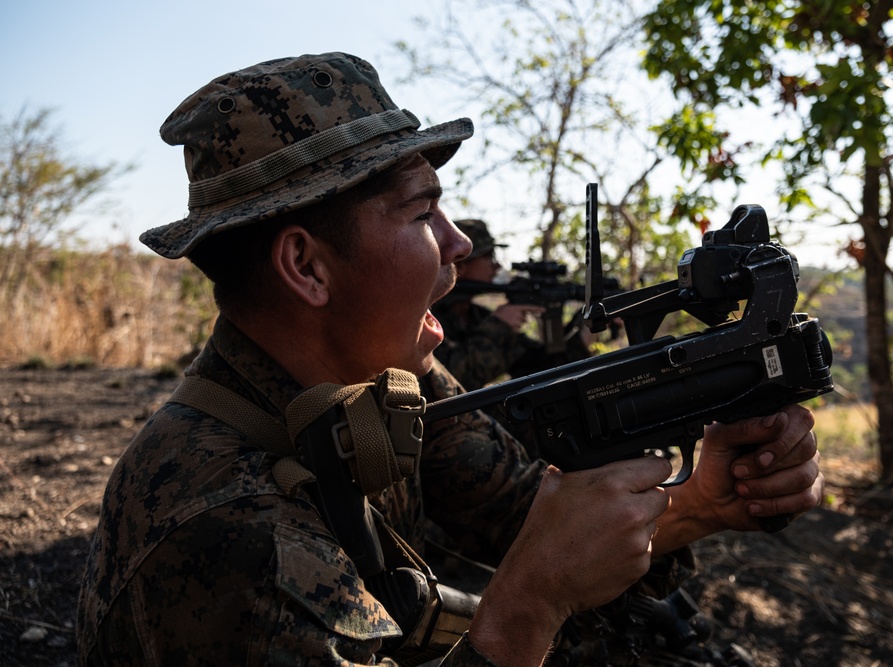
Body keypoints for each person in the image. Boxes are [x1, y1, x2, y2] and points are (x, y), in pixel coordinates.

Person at [76, 52, 824, 667]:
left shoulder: (386, 383)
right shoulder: (223, 529)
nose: (461, 247)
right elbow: (538, 578)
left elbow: (527, 514)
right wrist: (524, 611)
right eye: (421, 211)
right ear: (306, 267)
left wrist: (703, 501)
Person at [431, 219, 592, 393]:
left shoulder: (476, 315)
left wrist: (588, 327)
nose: (497, 265)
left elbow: (540, 369)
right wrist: (499, 325)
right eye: (489, 256)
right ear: (460, 264)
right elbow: (449, 381)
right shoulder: (427, 316)